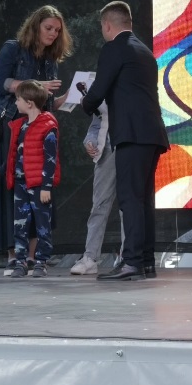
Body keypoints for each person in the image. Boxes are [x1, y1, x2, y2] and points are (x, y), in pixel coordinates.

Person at [0, 5, 73, 275]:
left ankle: (32, 256)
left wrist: (68, 99)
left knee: (37, 189)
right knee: (13, 189)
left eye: (57, 30)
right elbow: (1, 84)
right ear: (35, 26)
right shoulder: (13, 49)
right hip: (10, 126)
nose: (53, 34)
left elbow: (46, 103)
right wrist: (35, 85)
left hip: (38, 130)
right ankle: (13, 255)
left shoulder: (50, 60)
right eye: (48, 28)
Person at [82, 1, 170, 281]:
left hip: (131, 134)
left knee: (130, 198)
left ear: (107, 25)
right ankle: (146, 261)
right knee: (143, 200)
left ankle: (131, 262)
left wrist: (86, 103)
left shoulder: (114, 48)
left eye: (102, 27)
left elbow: (99, 90)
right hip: (152, 134)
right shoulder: (145, 52)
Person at [0, 80, 60, 278]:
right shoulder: (21, 127)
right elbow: (14, 157)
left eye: (18, 99)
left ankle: (41, 262)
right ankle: (20, 262)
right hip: (21, 184)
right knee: (20, 224)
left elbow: (51, 160)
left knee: (42, 225)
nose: (15, 103)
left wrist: (46, 186)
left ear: (29, 103)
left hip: (39, 186)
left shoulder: (48, 127)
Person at [69, 110, 125, 275]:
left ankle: (128, 257)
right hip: (107, 150)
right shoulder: (101, 95)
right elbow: (96, 123)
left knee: (128, 206)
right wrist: (90, 140)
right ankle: (90, 257)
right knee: (99, 205)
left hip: (130, 148)